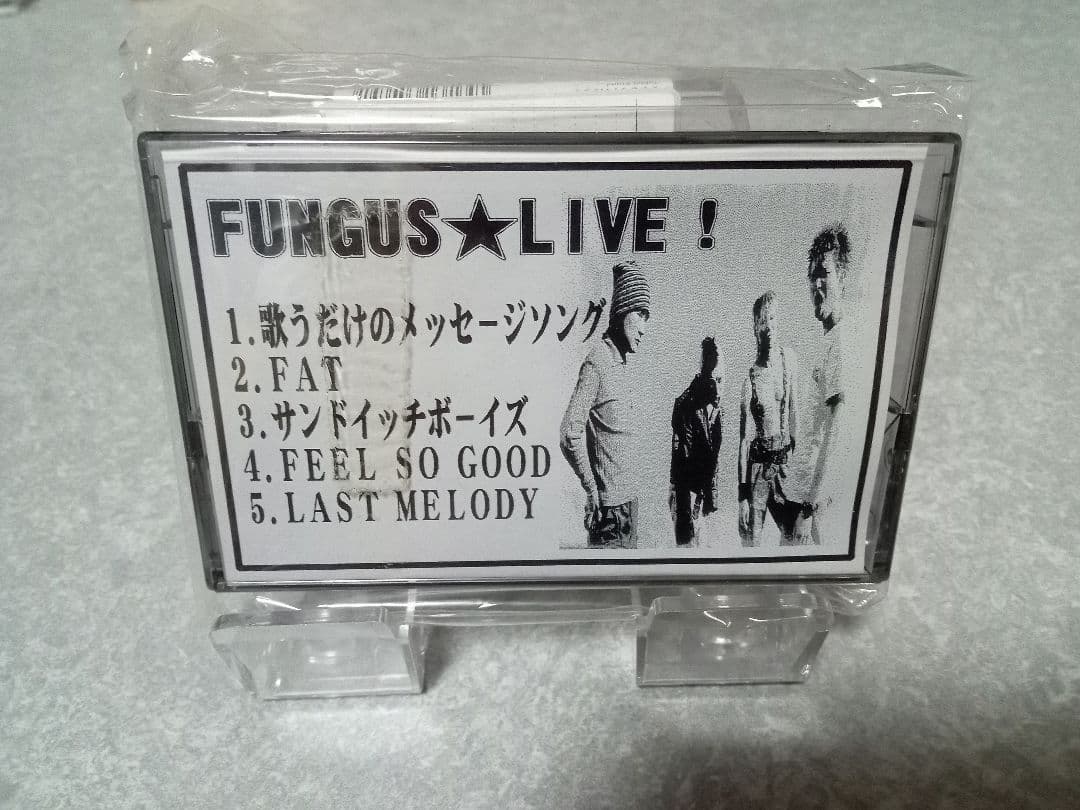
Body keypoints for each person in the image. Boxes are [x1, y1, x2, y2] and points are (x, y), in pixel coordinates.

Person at [560, 260, 651, 548]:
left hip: (629, 508)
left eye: (647, 317)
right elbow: (569, 433)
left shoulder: (620, 363)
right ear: (622, 311)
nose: (644, 328)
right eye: (640, 314)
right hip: (610, 514)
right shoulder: (597, 361)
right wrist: (591, 489)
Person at [796, 225, 856, 546]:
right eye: (812, 277)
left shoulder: (841, 343)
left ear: (842, 278)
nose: (817, 285)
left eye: (824, 274)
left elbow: (836, 428)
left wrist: (810, 507)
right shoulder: (829, 341)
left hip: (820, 509)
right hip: (810, 500)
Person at [738, 290, 806, 546]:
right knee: (750, 540)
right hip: (758, 468)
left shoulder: (789, 361)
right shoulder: (750, 380)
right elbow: (744, 441)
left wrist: (800, 474)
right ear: (755, 327)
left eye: (773, 318)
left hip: (784, 464)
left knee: (794, 538)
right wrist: (742, 497)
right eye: (763, 321)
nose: (768, 327)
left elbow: (795, 415)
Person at [670, 337, 726, 547]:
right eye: (714, 380)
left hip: (703, 496)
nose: (718, 388)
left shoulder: (716, 410)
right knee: (689, 549)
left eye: (721, 380)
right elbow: (683, 459)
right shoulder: (687, 406)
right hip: (689, 495)